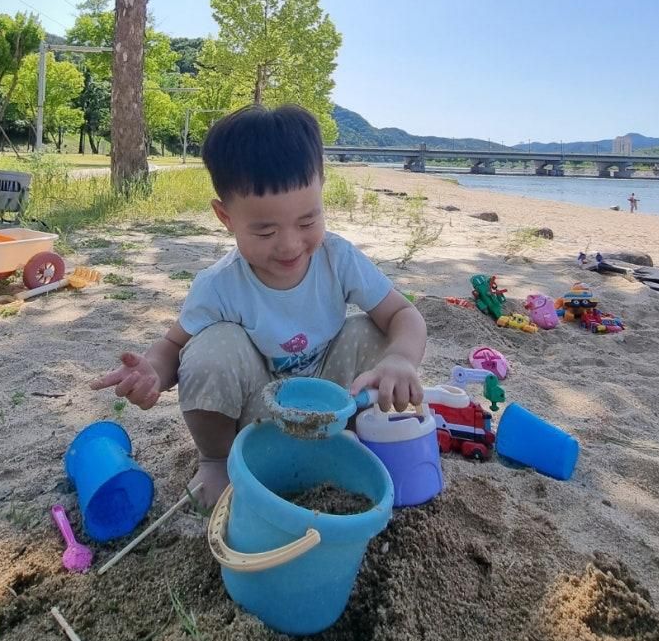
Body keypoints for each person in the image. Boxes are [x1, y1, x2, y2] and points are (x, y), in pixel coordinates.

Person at [91, 104, 426, 507]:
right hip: (259, 410)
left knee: (372, 330)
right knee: (209, 348)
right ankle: (217, 458)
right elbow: (173, 348)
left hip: (334, 399)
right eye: (265, 229)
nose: (289, 244)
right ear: (225, 216)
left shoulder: (339, 258)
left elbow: (404, 314)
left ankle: (349, 440)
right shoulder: (219, 285)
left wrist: (402, 359)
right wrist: (153, 374)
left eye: (307, 222)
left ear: (322, 189)